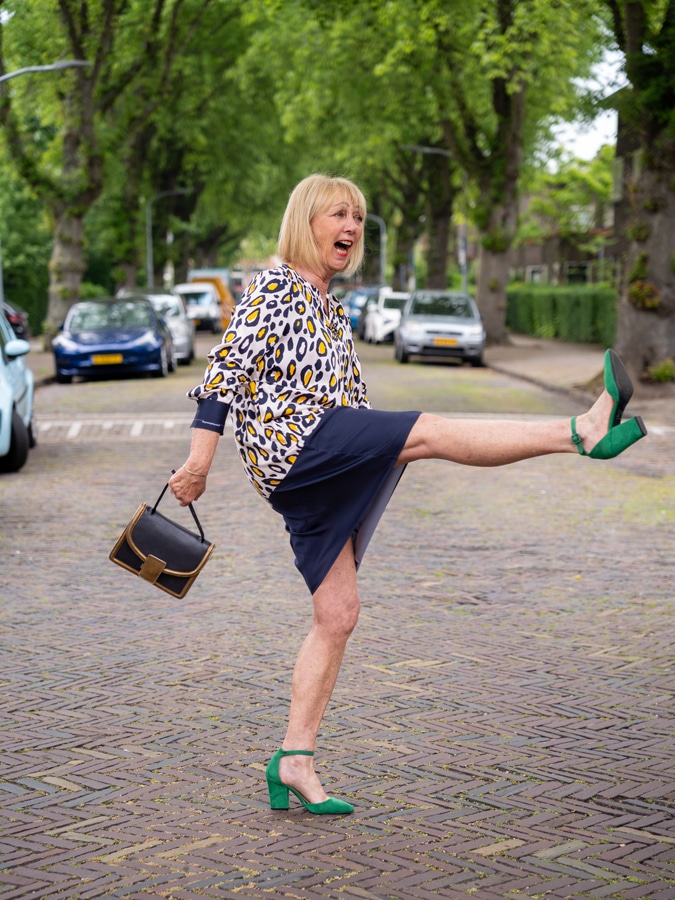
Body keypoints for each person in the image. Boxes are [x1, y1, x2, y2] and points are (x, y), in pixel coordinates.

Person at [169, 173, 647, 815]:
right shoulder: (275, 288)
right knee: (426, 432)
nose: (352, 227)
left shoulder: (326, 304)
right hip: (300, 444)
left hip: (317, 470)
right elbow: (222, 375)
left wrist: (369, 456)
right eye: (339, 214)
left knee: (338, 614)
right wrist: (198, 463)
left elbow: (346, 393)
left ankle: (293, 761)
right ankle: (581, 432)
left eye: (359, 217)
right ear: (305, 222)